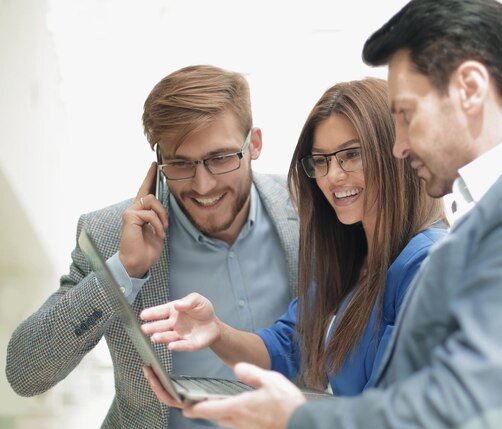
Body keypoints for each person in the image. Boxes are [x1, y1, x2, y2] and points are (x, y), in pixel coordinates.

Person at [171, 2, 502, 429]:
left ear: (470, 89)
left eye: (406, 115)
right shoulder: (484, 219)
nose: (399, 145)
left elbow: (470, 414)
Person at [5, 65, 300, 429]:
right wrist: (124, 271)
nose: (202, 185)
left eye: (219, 158)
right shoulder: (111, 234)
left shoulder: (307, 212)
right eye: (180, 163)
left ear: (254, 144)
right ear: (158, 160)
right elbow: (26, 371)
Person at [140, 77, 447, 400]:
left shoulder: (428, 265)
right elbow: (288, 347)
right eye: (322, 160)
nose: (332, 176)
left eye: (352, 155)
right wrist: (216, 331)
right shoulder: (353, 258)